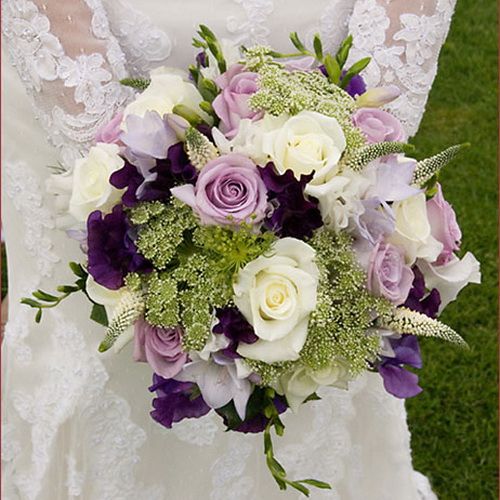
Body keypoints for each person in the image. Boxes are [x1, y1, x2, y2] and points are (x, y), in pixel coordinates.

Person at [1, 1, 456, 498]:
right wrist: (139, 202)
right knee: (96, 366)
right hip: (81, 88)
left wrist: (348, 189)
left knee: (317, 407)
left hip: (323, 170)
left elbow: (397, 49)